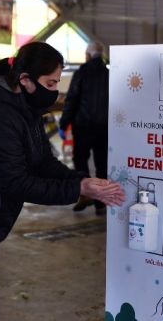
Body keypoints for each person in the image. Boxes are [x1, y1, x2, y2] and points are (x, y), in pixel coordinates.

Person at [0, 42, 125, 320]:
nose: (55, 89)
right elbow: (16, 183)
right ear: (25, 80)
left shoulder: (23, 108)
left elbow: (43, 160)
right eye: (51, 82)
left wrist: (81, 180)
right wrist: (78, 189)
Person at [59, 41, 110, 215]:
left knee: (80, 159)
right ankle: (101, 201)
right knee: (102, 163)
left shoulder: (82, 73)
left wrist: (64, 123)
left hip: (83, 126)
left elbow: (71, 100)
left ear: (88, 55)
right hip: (104, 127)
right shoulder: (109, 74)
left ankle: (86, 193)